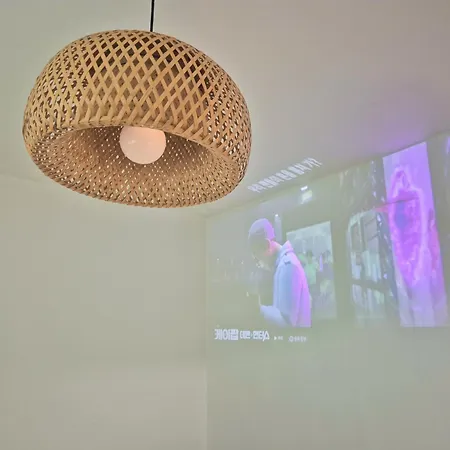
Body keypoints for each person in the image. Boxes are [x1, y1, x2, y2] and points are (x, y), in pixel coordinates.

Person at [248, 218, 311, 327]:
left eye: (258, 258)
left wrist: (258, 309)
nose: (260, 264)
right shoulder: (284, 265)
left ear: (267, 245)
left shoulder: (287, 266)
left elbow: (287, 323)